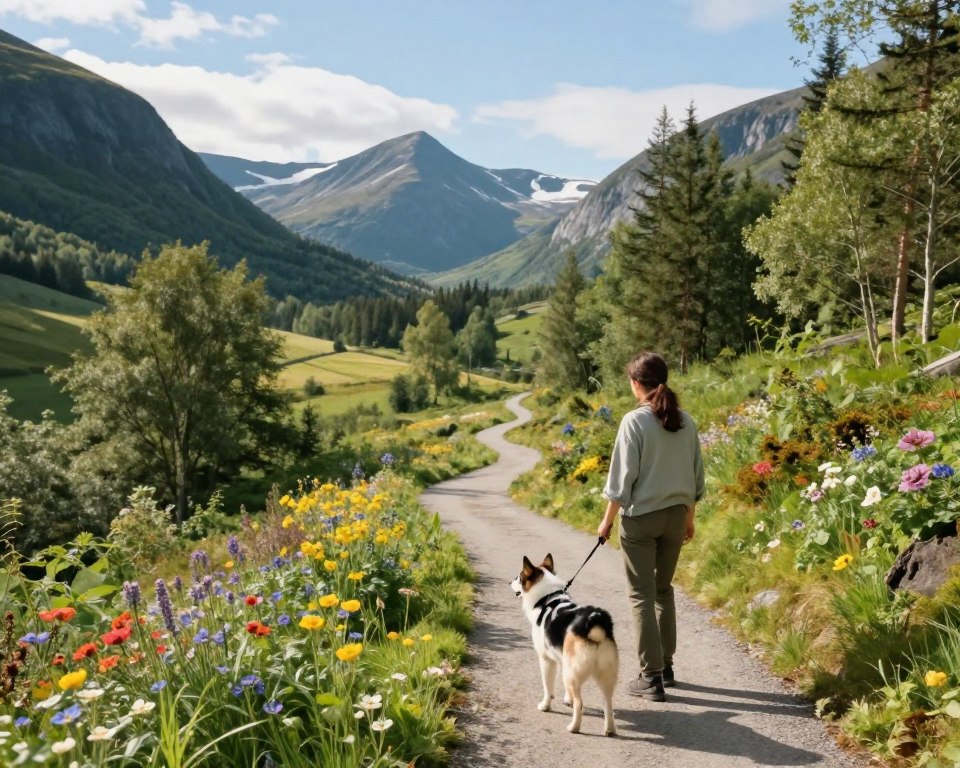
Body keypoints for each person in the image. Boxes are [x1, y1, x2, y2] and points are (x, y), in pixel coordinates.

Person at [597, 352, 705, 702]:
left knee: (640, 595)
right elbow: (694, 477)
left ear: (635, 384)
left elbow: (621, 481)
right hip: (676, 515)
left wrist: (606, 521)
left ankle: (651, 676)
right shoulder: (686, 422)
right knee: (663, 589)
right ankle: (667, 666)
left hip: (641, 519)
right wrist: (688, 519)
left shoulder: (633, 422)